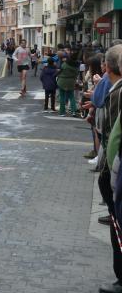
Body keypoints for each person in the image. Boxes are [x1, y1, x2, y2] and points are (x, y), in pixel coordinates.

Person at [97, 45, 122, 293]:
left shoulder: (117, 94)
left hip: (117, 173)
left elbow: (111, 138)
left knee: (118, 228)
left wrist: (108, 174)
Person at [57, 51, 80, 117]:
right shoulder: (76, 66)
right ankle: (73, 111)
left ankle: (62, 112)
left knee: (62, 97)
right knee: (71, 97)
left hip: (62, 81)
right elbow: (77, 74)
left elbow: (60, 70)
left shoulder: (65, 64)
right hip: (71, 82)